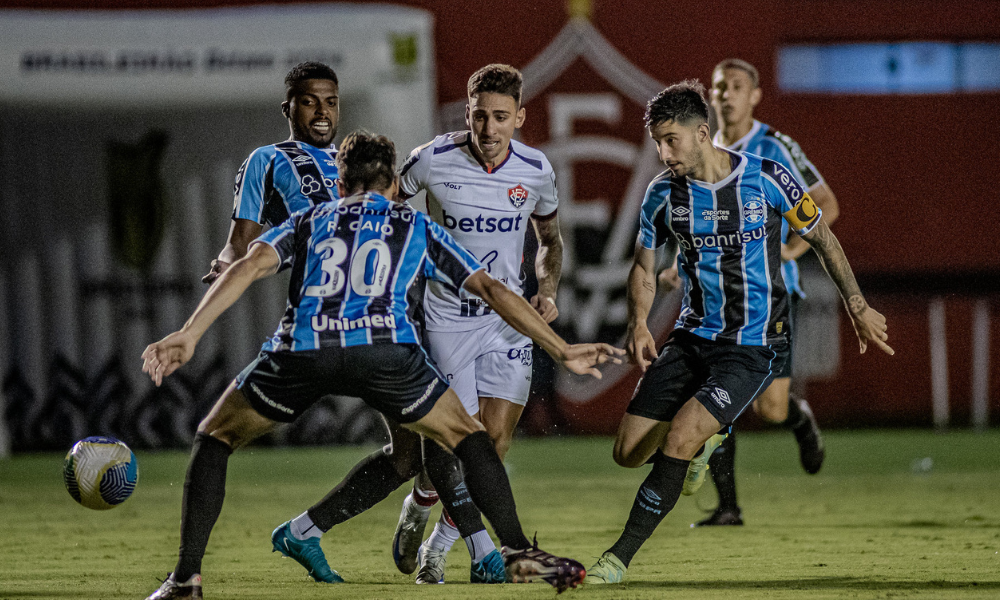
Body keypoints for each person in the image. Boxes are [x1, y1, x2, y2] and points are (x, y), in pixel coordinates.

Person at [141, 131, 621, 599]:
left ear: (340, 180)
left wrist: (189, 334)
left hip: (306, 350)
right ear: (393, 183)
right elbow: (494, 290)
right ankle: (516, 550)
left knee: (215, 436)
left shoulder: (310, 219)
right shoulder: (414, 226)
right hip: (387, 354)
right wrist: (560, 349)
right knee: (469, 439)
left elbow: (248, 264)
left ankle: (185, 581)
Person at [584, 81, 892, 584]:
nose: (663, 153)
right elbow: (643, 267)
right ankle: (709, 438)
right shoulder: (662, 193)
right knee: (628, 452)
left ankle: (616, 560)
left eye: (671, 140)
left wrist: (856, 305)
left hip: (750, 346)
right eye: (657, 142)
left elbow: (823, 238)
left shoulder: (768, 177)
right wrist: (639, 321)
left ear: (701, 133)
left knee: (680, 439)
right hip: (690, 338)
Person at [281, 63, 564, 585]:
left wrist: (546, 289)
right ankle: (460, 535)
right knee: (459, 440)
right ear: (467, 112)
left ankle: (437, 530)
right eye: (480, 116)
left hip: (506, 321)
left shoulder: (537, 170)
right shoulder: (431, 159)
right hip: (445, 318)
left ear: (520, 117)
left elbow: (550, 240)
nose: (488, 129)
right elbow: (383, 210)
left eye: (501, 118)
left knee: (494, 448)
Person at [659, 58, 843, 527]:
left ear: (754, 95)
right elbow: (695, 224)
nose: (725, 94)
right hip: (714, 302)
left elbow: (826, 204)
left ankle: (798, 418)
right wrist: (678, 268)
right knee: (713, 396)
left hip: (769, 298)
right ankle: (728, 506)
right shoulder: (701, 149)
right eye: (719, 86)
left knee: (769, 406)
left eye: (736, 86)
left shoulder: (774, 147)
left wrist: (788, 249)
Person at [201, 61, 341, 285]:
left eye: (331, 103)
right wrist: (226, 264)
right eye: (309, 102)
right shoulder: (267, 159)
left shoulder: (355, 160)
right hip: (321, 293)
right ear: (287, 109)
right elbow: (240, 242)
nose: (323, 111)